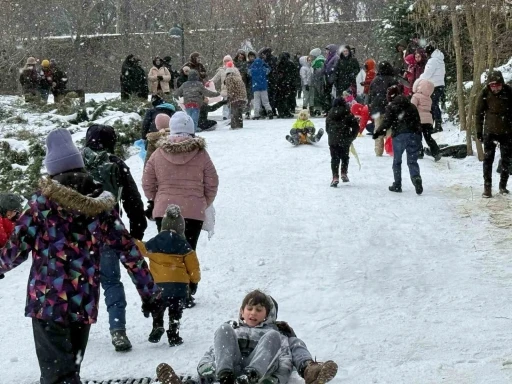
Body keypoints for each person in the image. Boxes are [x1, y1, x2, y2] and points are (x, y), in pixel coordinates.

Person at [0, 128, 162, 383]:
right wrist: (149, 292)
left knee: (57, 376)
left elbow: (14, 252)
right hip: (82, 301)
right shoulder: (100, 205)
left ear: (52, 170)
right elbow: (128, 250)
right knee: (69, 372)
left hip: (48, 302)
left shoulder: (40, 204)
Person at [156, 292, 338, 384]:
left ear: (268, 315)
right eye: (249, 309)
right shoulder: (233, 328)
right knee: (223, 329)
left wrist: (275, 380)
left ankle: (308, 370)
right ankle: (218, 376)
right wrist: (205, 371)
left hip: (259, 373)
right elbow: (214, 352)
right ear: (242, 311)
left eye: (259, 310)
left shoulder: (276, 332)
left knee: (273, 335)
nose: (253, 313)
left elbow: (284, 360)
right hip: (230, 369)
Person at [82, 124, 149, 351]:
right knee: (111, 281)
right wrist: (136, 231)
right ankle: (118, 330)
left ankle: (79, 326)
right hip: (108, 231)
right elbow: (133, 200)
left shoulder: (74, 164)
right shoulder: (116, 165)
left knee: (81, 281)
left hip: (77, 236)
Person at [142, 111, 219, 249]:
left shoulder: (158, 153)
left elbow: (147, 182)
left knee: (167, 255)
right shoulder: (201, 154)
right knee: (188, 253)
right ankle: (186, 271)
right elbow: (212, 182)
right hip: (193, 211)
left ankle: (169, 271)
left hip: (163, 211)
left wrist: (157, 198)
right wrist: (202, 202)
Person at [137, 204, 201, 346]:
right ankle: (173, 334)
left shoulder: (154, 242)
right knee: (176, 312)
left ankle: (157, 325)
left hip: (159, 285)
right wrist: (194, 281)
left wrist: (130, 241)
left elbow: (141, 248)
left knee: (158, 307)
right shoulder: (184, 245)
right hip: (179, 287)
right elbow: (193, 267)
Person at [373, 85, 423, 195]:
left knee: (397, 161)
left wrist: (378, 132)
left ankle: (397, 184)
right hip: (414, 134)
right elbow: (418, 122)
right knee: (412, 160)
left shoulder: (392, 107)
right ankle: (416, 178)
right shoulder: (411, 106)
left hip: (400, 135)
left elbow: (386, 123)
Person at [475, 70, 512, 198]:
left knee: (506, 159)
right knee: (488, 160)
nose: (495, 88)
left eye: (497, 85)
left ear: (501, 83)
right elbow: (478, 113)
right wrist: (478, 131)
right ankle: (487, 187)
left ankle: (503, 185)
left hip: (507, 131)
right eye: (492, 85)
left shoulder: (509, 92)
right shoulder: (485, 93)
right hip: (490, 131)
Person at [326, 97, 359, 186]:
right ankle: (344, 173)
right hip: (344, 139)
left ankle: (335, 177)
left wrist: (332, 135)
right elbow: (356, 127)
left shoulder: (330, 113)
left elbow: (327, 128)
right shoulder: (348, 113)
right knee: (345, 157)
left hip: (333, 140)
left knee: (334, 158)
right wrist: (351, 137)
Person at [368, 61, 398, 156]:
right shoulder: (392, 80)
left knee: (378, 129)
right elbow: (396, 95)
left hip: (377, 108)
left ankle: (378, 150)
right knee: (389, 129)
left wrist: (371, 106)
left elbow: (371, 95)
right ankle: (390, 150)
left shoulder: (375, 80)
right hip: (389, 108)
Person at [410, 79, 441, 162]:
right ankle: (436, 152)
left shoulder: (416, 96)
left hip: (418, 120)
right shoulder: (429, 98)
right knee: (428, 137)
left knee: (417, 137)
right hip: (428, 121)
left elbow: (412, 107)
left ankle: (419, 152)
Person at [419, 44, 446, 132]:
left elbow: (427, 74)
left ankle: (437, 125)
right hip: (440, 84)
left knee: (433, 105)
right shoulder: (440, 60)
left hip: (434, 85)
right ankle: (435, 124)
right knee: (434, 104)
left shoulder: (432, 61)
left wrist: (419, 79)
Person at [210, 55, 237, 120]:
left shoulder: (234, 69)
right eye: (225, 61)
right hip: (224, 89)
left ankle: (232, 115)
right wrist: (210, 81)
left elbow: (238, 78)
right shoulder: (221, 70)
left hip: (233, 89)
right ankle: (225, 115)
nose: (226, 62)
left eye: (228, 61)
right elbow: (215, 78)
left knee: (232, 103)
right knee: (225, 102)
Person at [225, 62, 248, 129]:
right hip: (243, 96)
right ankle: (240, 125)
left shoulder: (229, 78)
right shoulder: (237, 77)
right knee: (239, 112)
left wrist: (230, 97)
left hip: (236, 97)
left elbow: (230, 89)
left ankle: (234, 126)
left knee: (234, 111)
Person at [275, 52, 298, 118]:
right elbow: (295, 74)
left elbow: (277, 74)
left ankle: (282, 112)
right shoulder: (290, 64)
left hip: (281, 84)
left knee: (281, 99)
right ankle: (286, 111)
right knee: (286, 99)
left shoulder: (279, 64)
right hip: (287, 84)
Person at [258, 47, 279, 115]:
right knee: (270, 96)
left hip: (269, 79)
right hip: (271, 80)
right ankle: (271, 109)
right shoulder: (272, 59)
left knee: (268, 96)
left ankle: (268, 110)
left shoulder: (267, 60)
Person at [234, 50, 252, 118]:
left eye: (242, 55)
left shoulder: (246, 63)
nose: (241, 56)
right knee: (238, 98)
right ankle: (238, 112)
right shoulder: (234, 63)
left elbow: (248, 72)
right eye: (240, 54)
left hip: (245, 82)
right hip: (237, 83)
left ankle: (247, 112)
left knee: (247, 98)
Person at [310, 48, 326, 117]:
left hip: (318, 81)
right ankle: (319, 108)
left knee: (318, 95)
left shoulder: (318, 62)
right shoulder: (320, 60)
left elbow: (319, 72)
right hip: (319, 81)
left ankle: (319, 109)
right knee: (319, 95)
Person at [323, 44, 339, 110]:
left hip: (332, 79)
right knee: (328, 95)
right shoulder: (328, 57)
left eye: (327, 50)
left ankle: (332, 109)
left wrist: (329, 70)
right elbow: (325, 66)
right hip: (328, 79)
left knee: (332, 95)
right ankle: (328, 109)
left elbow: (335, 67)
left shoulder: (336, 57)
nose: (326, 52)